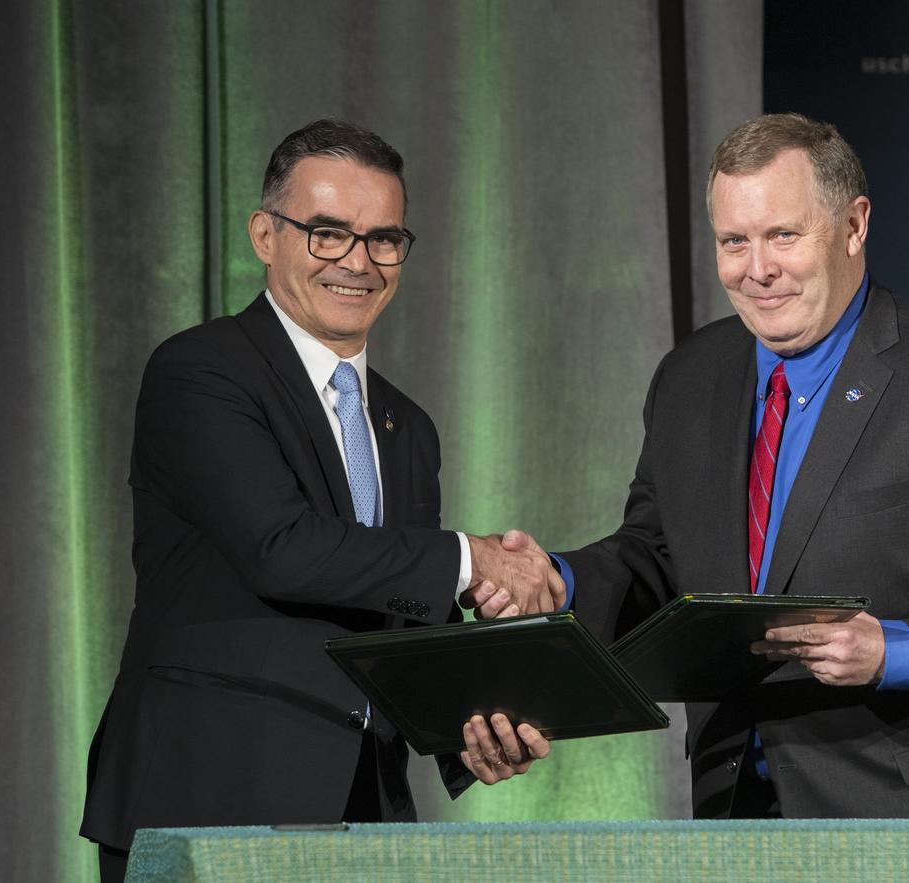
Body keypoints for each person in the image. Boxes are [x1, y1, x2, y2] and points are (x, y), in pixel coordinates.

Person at [488, 112, 909, 818]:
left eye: (784, 234)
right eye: (734, 242)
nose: (758, 269)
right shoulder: (689, 377)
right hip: (739, 808)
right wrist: (557, 580)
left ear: (853, 225)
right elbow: (657, 558)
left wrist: (895, 648)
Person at [80, 119, 563, 881]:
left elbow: (394, 608)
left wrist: (471, 728)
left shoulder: (408, 425)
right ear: (265, 235)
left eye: (383, 239)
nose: (358, 263)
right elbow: (283, 548)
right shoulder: (201, 371)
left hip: (364, 815)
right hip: (211, 800)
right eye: (328, 234)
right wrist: (472, 560)